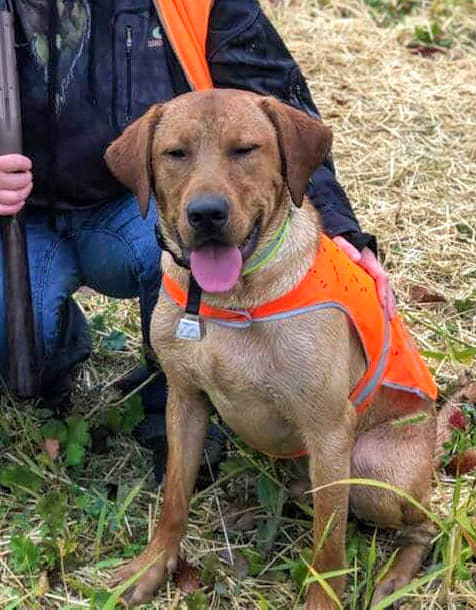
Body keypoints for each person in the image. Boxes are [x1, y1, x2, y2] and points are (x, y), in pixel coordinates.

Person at [0, 0, 393, 479]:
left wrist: (340, 227)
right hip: (20, 219)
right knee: (17, 333)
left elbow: (274, 104)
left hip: (141, 204)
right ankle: (56, 356)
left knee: (179, 245)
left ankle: (177, 399)